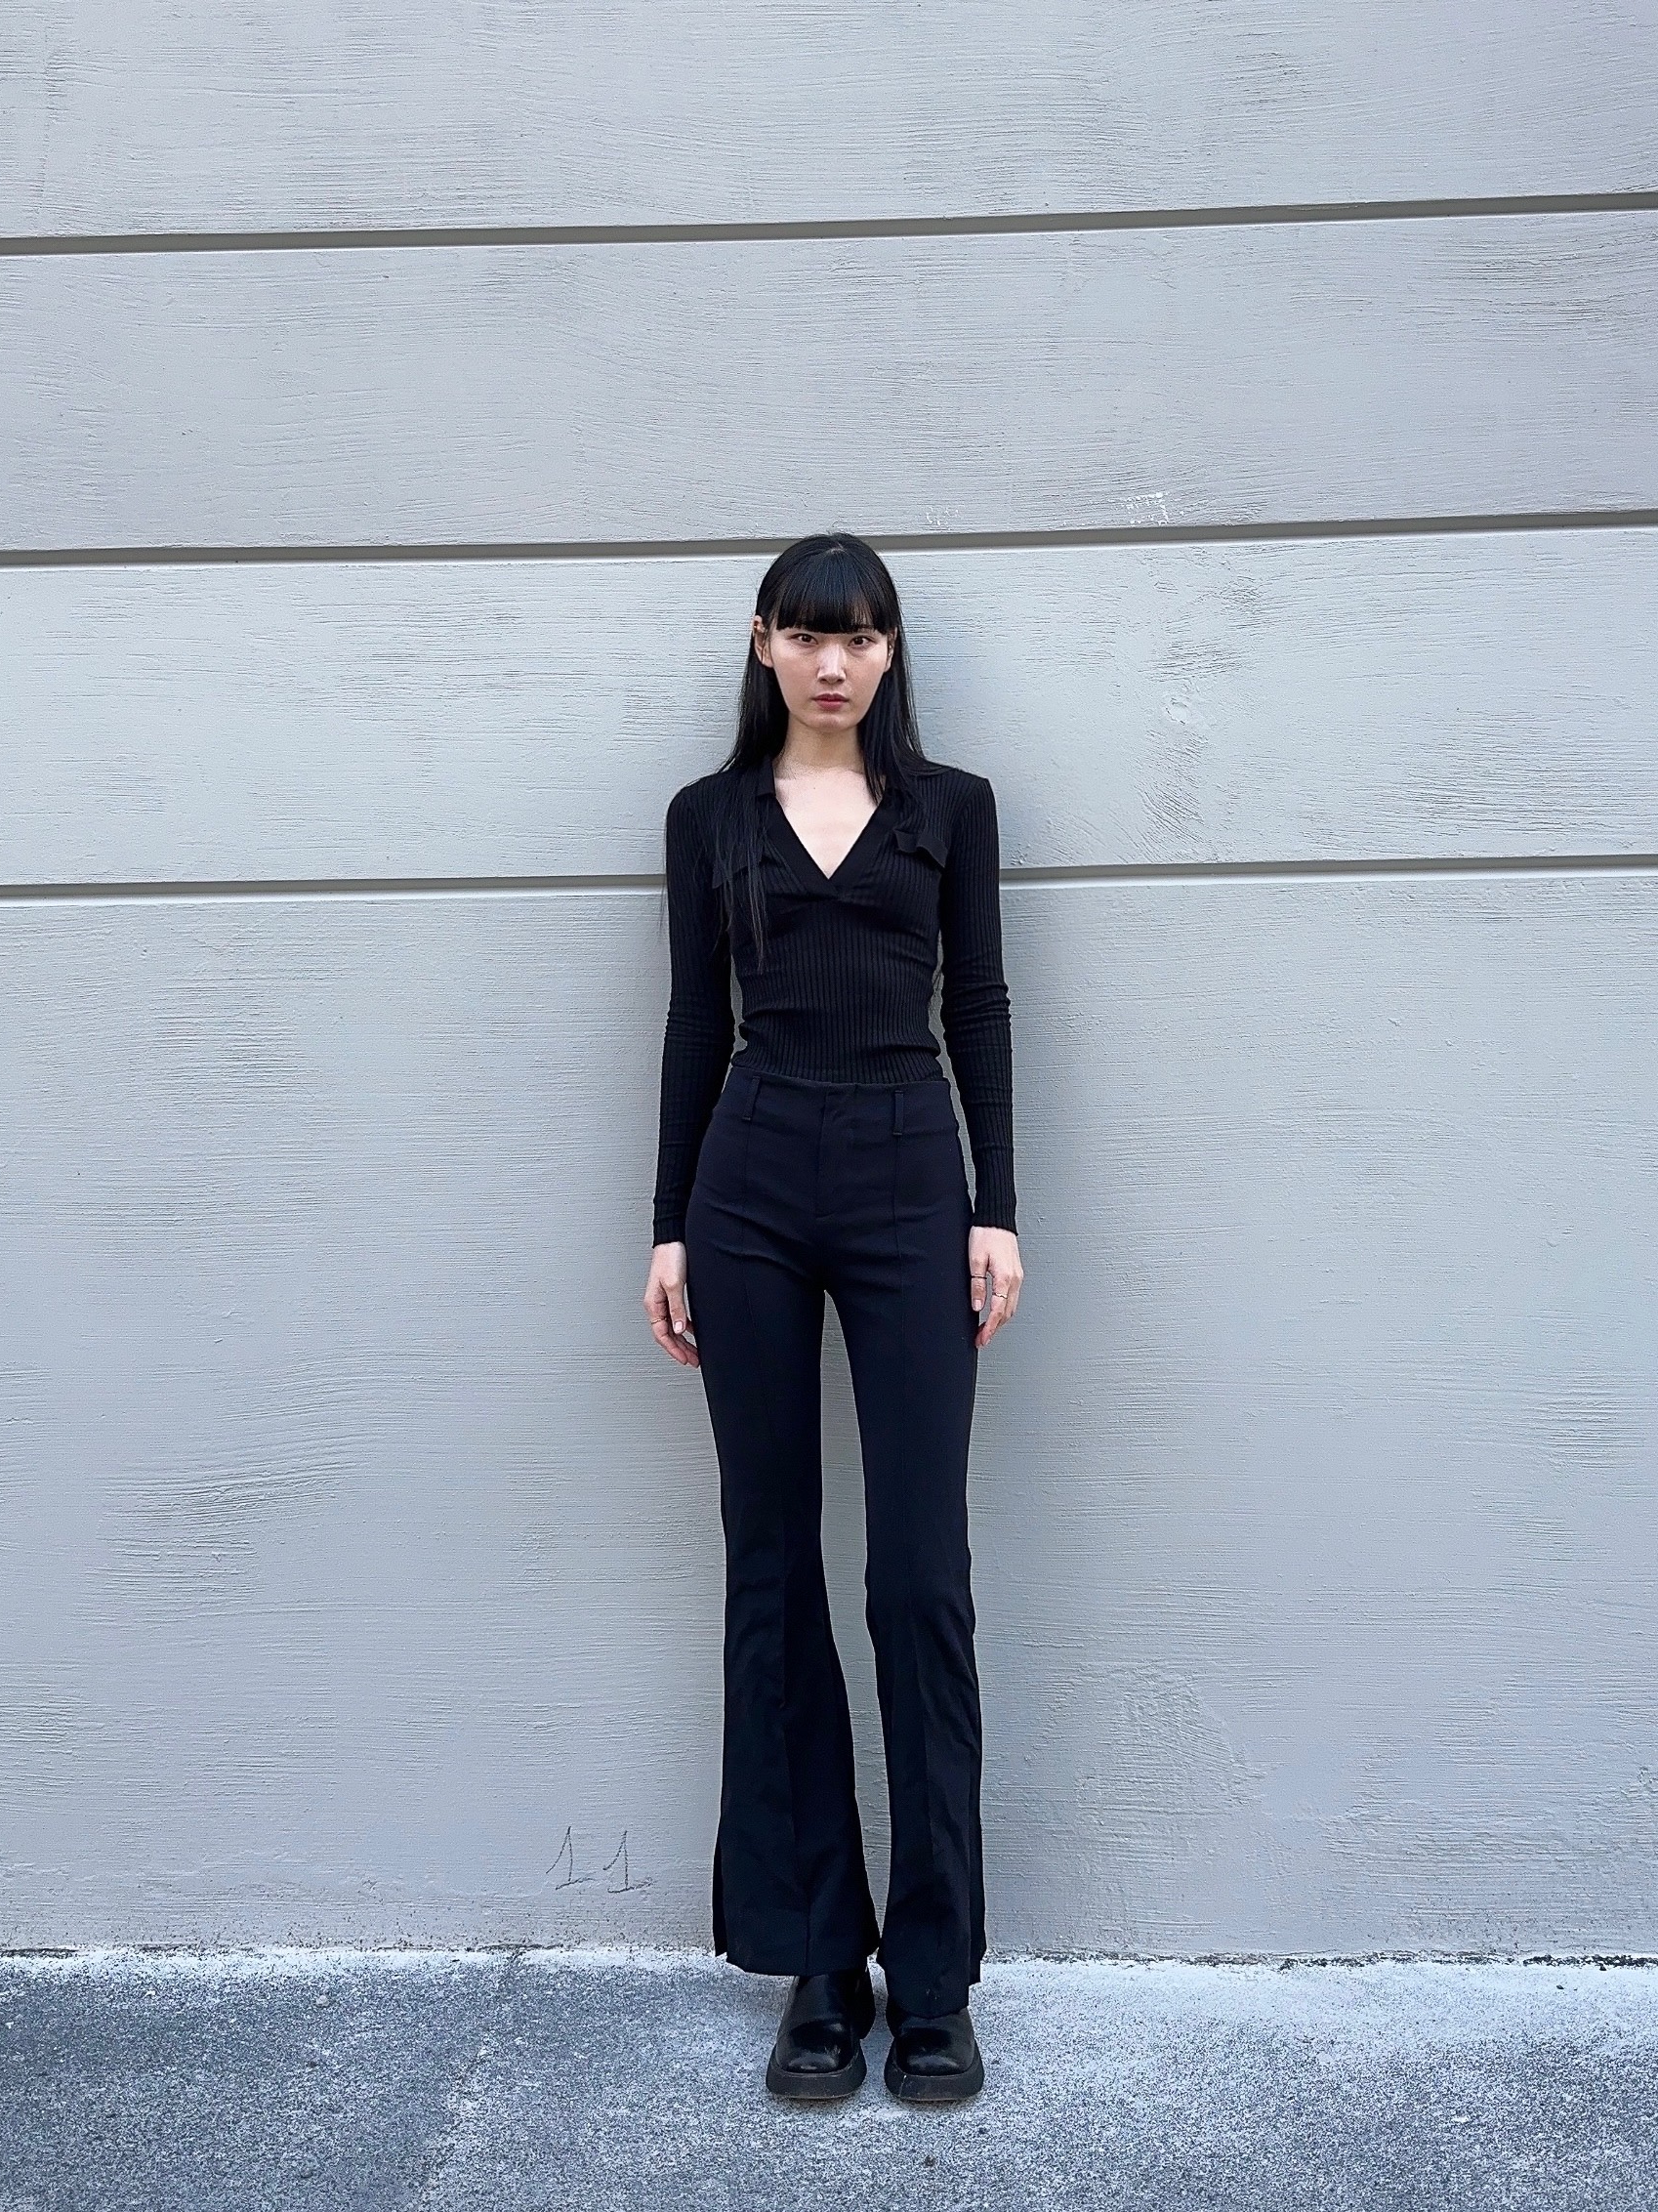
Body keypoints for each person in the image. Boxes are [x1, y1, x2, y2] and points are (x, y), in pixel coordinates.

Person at [642, 532, 1023, 2106]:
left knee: (919, 1572)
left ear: (888, 651)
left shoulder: (952, 808)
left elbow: (978, 1001)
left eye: (860, 635)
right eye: (807, 633)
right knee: (772, 1562)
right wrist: (669, 1222)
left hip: (907, 1169)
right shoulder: (709, 816)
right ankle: (818, 1960)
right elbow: (693, 1017)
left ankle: (933, 1975)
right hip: (750, 1175)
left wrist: (996, 1205)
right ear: (763, 643)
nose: (833, 662)